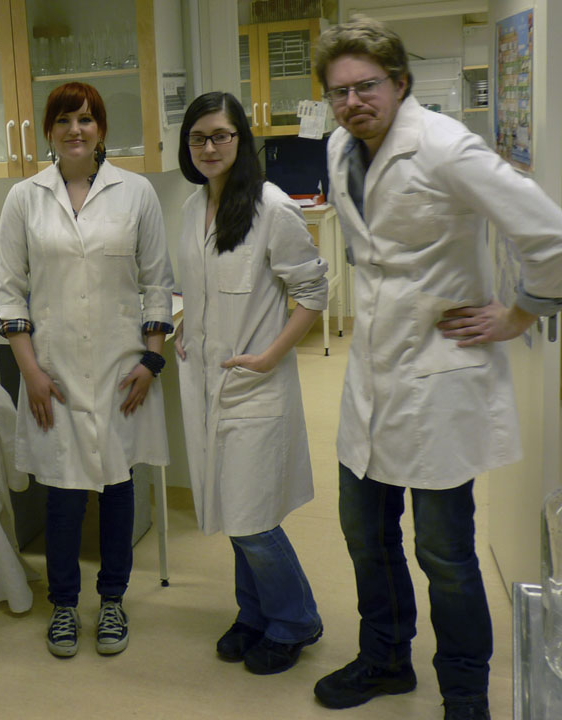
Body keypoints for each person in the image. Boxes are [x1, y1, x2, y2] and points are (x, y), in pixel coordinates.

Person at [310, 18, 562, 720]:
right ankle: (385, 660)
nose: (352, 102)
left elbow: (556, 239)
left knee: (444, 553)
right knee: (365, 538)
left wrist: (521, 313)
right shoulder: (338, 147)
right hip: (369, 376)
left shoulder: (444, 147)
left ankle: (464, 692)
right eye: (339, 91)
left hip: (438, 378)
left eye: (366, 86)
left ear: (400, 83)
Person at [0, 82, 174, 658]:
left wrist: (152, 360)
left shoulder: (136, 192)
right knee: (64, 493)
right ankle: (65, 606)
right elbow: (10, 293)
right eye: (64, 120)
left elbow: (156, 283)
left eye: (86, 119)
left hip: (123, 368)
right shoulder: (24, 198)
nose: (76, 130)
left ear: (101, 130)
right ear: (48, 131)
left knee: (118, 486)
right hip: (55, 371)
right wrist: (31, 372)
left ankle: (113, 599)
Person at [172, 91, 329, 676]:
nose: (210, 147)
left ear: (241, 139)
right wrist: (188, 323)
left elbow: (313, 293)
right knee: (232, 505)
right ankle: (254, 613)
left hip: (253, 382)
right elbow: (201, 287)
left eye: (221, 135)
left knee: (252, 517)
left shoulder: (271, 207)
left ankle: (295, 620)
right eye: (198, 138)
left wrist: (268, 358)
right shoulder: (192, 208)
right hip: (207, 379)